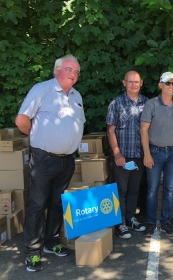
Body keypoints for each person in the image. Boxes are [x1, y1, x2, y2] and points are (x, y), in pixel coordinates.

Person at [15, 55, 85, 272]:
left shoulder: (76, 96)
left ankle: (50, 243)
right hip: (44, 159)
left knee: (57, 204)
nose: (73, 74)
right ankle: (32, 252)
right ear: (57, 70)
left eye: (76, 71)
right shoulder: (42, 89)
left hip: (67, 160)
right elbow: (22, 120)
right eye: (69, 69)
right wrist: (37, 137)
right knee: (37, 205)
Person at [140, 72, 173, 237]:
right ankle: (151, 223)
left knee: (169, 189)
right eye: (168, 83)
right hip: (155, 152)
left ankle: (167, 222)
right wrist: (147, 154)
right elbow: (144, 129)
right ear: (160, 85)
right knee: (152, 190)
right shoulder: (151, 104)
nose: (171, 87)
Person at [106, 70, 148, 239]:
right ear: (124, 83)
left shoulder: (146, 102)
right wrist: (117, 154)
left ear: (141, 83)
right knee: (120, 190)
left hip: (139, 154)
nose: (133, 85)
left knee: (134, 189)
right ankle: (120, 223)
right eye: (130, 82)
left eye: (136, 82)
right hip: (122, 156)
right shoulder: (116, 103)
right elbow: (110, 130)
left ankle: (131, 218)